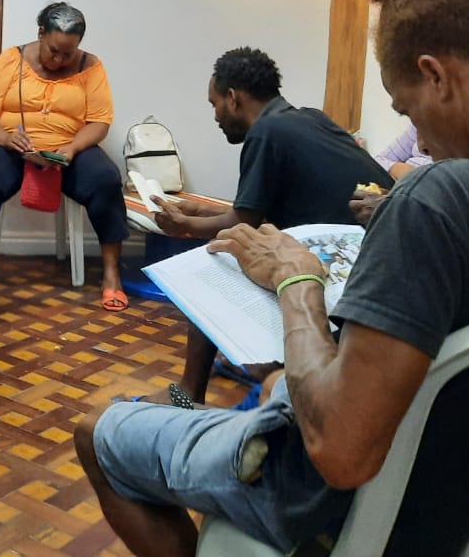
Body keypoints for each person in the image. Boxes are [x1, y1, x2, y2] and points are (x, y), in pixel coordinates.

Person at [75, 0, 469, 557]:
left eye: (408, 111)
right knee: (276, 385)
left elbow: (340, 452)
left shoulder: (441, 202)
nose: (421, 143)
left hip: (362, 505)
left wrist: (297, 281)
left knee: (97, 430)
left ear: (437, 76)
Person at [152, 47, 393, 401]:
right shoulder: (308, 118)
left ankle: (189, 392)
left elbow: (243, 222)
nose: (215, 115)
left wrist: (183, 225)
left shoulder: (265, 132)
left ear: (233, 98)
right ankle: (263, 362)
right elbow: (255, 210)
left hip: (344, 273)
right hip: (375, 255)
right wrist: (197, 211)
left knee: (216, 260)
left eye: (214, 104)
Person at [0, 1, 129, 309]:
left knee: (106, 178)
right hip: (12, 146)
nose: (60, 59)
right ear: (40, 34)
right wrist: (6, 139)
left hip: (68, 149)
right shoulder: (11, 60)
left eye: (68, 53)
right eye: (54, 50)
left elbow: (100, 122)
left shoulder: (91, 67)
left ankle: (111, 274)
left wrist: (72, 148)